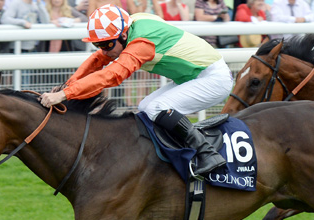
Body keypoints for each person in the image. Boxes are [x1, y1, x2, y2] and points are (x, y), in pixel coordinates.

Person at [39, 4, 233, 175]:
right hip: (192, 77)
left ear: (123, 35)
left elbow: (112, 75)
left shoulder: (141, 43)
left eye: (107, 44)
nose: (104, 50)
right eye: (98, 44)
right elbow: (98, 60)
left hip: (213, 79)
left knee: (157, 107)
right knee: (145, 106)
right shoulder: (129, 25)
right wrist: (67, 86)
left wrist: (65, 94)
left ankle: (207, 154)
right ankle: (170, 157)